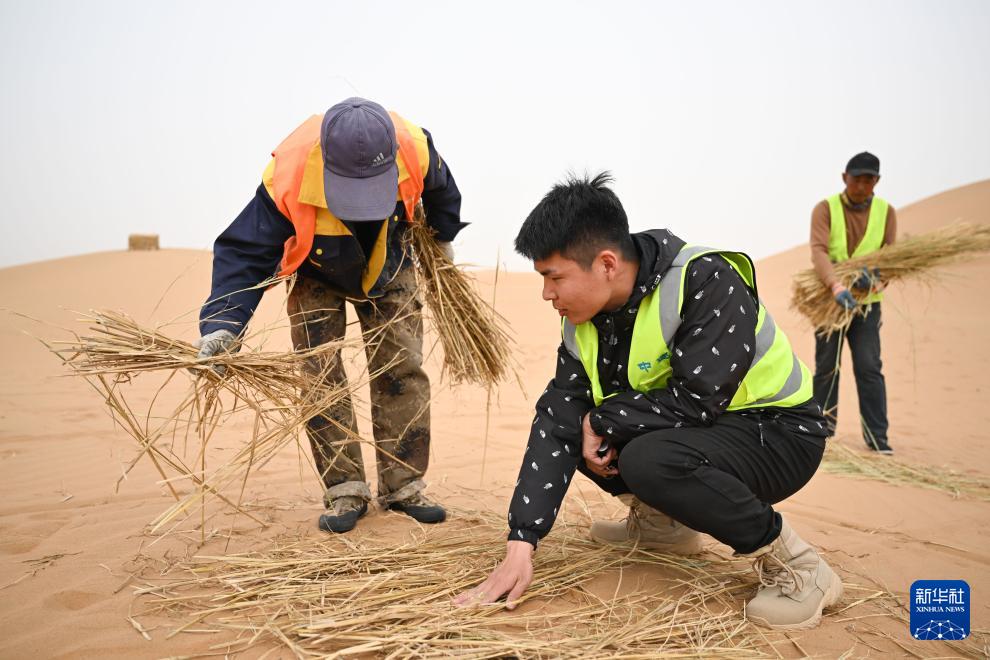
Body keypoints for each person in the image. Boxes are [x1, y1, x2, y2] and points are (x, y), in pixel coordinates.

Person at [454, 173, 841, 631]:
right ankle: (665, 528)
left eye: (554, 277)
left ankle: (800, 567)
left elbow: (698, 400)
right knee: (573, 427)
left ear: (606, 264)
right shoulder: (584, 318)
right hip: (708, 437)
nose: (546, 294)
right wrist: (521, 544)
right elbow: (558, 415)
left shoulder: (705, 280)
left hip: (780, 435)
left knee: (644, 455)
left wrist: (603, 418)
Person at [197, 97, 466, 533]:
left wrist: (443, 236)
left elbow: (442, 192)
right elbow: (245, 252)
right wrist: (223, 325)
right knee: (320, 377)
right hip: (314, 267)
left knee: (403, 366)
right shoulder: (287, 173)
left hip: (389, 255)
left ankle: (404, 485)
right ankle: (346, 488)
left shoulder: (415, 147)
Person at [810, 152, 897, 454]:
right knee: (826, 367)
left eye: (868, 179)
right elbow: (819, 250)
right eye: (857, 178)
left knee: (869, 367)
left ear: (877, 181)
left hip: (867, 305)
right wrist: (836, 285)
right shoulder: (825, 209)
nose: (862, 185)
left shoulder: (886, 212)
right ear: (844, 177)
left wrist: (876, 281)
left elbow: (892, 259)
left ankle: (877, 439)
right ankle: (820, 432)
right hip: (829, 301)